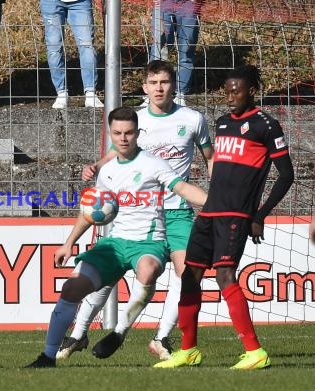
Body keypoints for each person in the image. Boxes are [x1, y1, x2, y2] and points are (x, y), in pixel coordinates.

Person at [25, 106, 208, 368]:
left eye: (129, 133)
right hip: (114, 243)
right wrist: (69, 243)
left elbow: (183, 188)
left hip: (148, 242)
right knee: (71, 288)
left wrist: (215, 204)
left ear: (138, 133)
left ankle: (119, 332)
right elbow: (91, 211)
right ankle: (48, 356)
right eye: (118, 133)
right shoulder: (107, 170)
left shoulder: (153, 163)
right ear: (111, 134)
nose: (123, 138)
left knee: (147, 271)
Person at [57, 60, 213, 363]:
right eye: (153, 82)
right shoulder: (136, 119)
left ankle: (161, 336)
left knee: (188, 273)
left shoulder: (193, 119)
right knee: (107, 274)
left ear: (173, 85)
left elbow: (210, 156)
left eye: (164, 82)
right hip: (136, 210)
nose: (159, 88)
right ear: (145, 87)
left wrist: (215, 193)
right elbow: (120, 150)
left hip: (178, 210)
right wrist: (98, 167)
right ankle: (78, 333)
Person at [154, 65, 295, 369]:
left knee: (224, 275)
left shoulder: (266, 126)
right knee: (189, 276)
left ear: (251, 92)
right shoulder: (221, 124)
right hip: (210, 211)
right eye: (226, 91)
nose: (230, 96)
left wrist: (260, 214)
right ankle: (188, 349)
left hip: (236, 214)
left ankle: (255, 351)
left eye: (236, 91)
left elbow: (286, 175)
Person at [40, 0, 104, 109]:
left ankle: (90, 93)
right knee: (54, 48)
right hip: (50, 3)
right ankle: (61, 93)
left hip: (81, 2)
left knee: (87, 45)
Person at [147, 0, 204, 106]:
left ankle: (181, 93)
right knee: (158, 48)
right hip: (163, 3)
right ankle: (153, 92)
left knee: (186, 49)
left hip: (189, 4)